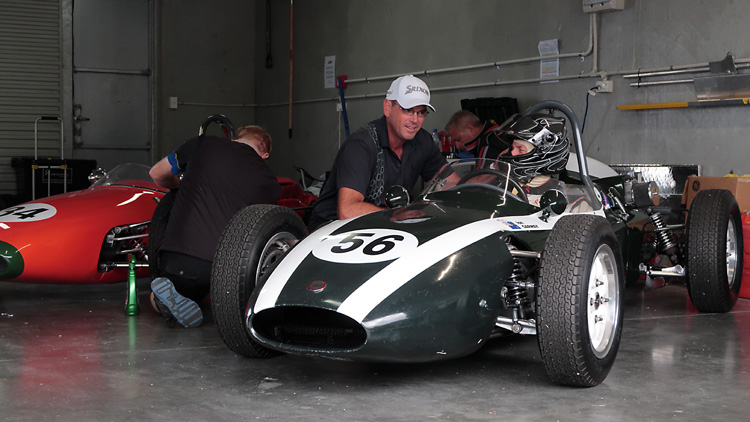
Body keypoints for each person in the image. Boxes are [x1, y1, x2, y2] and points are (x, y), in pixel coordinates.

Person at [148, 125, 281, 328]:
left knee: (164, 291)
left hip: (183, 257)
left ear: (235, 139)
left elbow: (157, 174)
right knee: (205, 286)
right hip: (231, 273)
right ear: (265, 155)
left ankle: (163, 301)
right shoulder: (271, 183)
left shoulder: (203, 144)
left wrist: (179, 187)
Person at [307, 75, 447, 230]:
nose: (415, 120)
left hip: (383, 227)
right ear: (387, 107)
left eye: (421, 112)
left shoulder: (422, 141)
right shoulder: (361, 145)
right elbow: (347, 211)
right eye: (408, 110)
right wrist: (395, 215)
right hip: (331, 230)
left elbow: (450, 182)